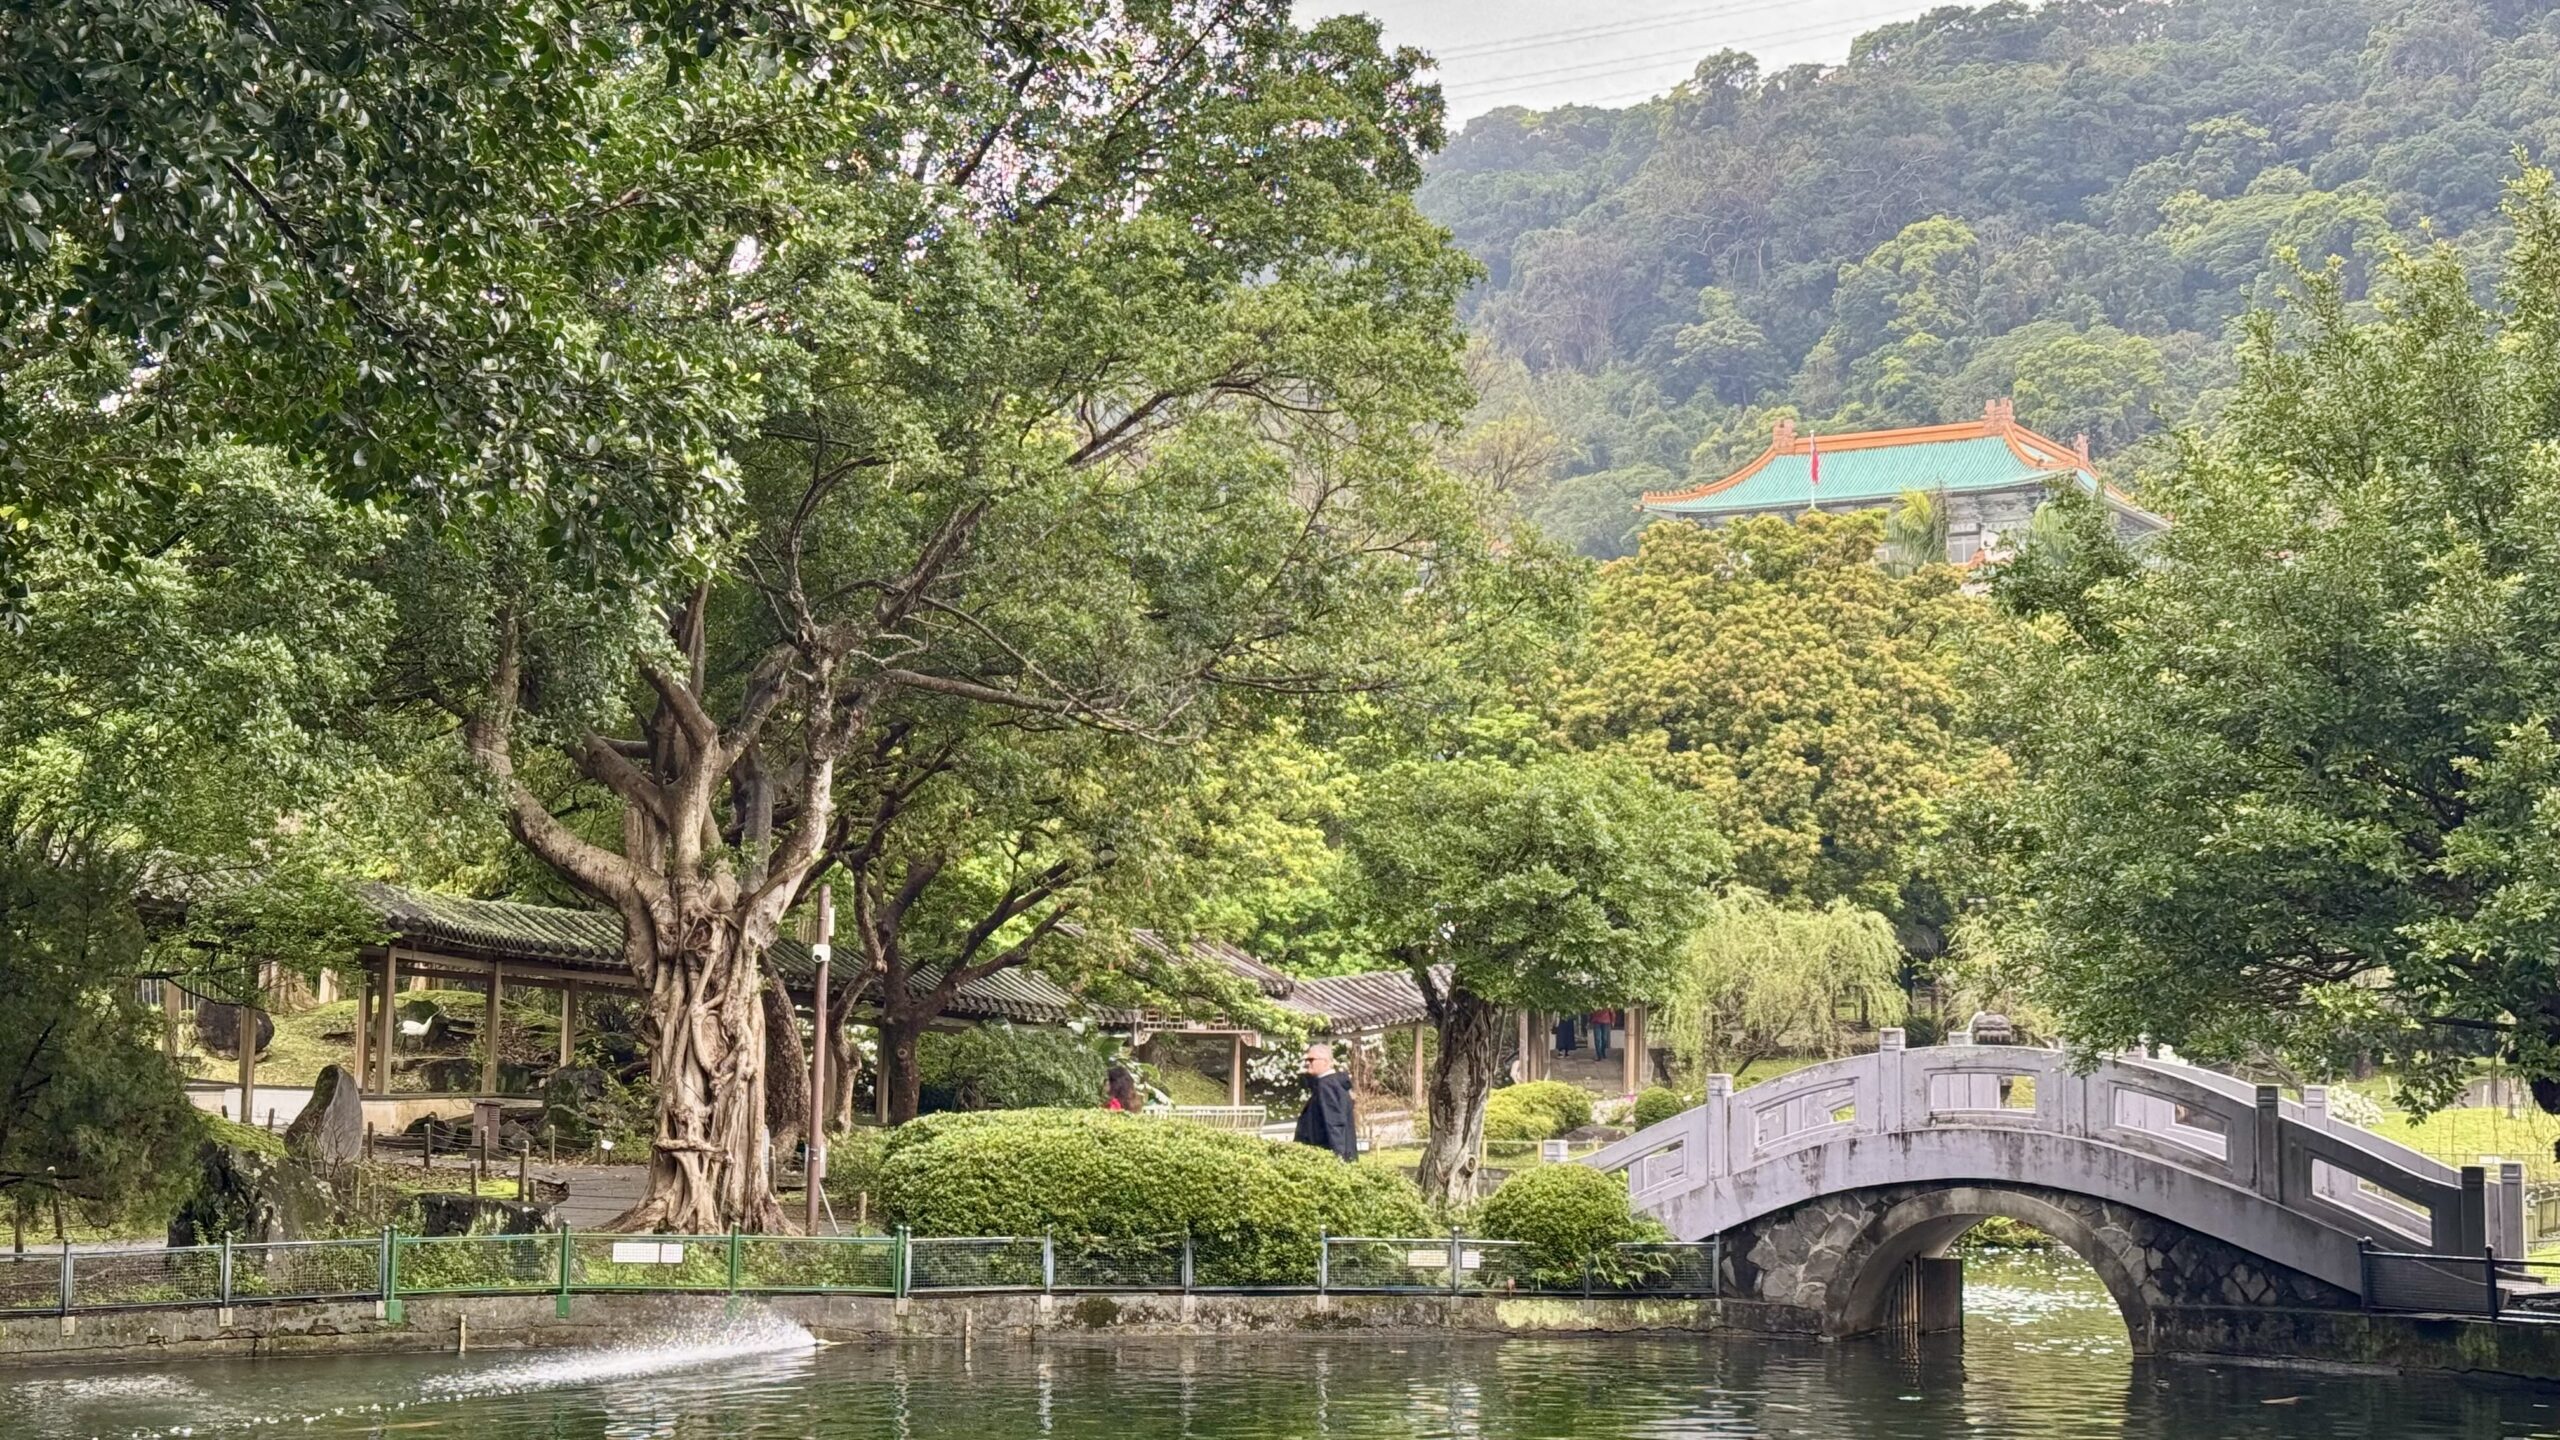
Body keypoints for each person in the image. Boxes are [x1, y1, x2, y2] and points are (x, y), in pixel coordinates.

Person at [1292, 1042, 1357, 1162]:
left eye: (1311, 1060)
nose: (1307, 1063)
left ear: (1326, 1062)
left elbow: (1335, 1124)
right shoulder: (1330, 1084)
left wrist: (1339, 1158)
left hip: (1327, 1159)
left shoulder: (1327, 1086)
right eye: (1306, 1060)